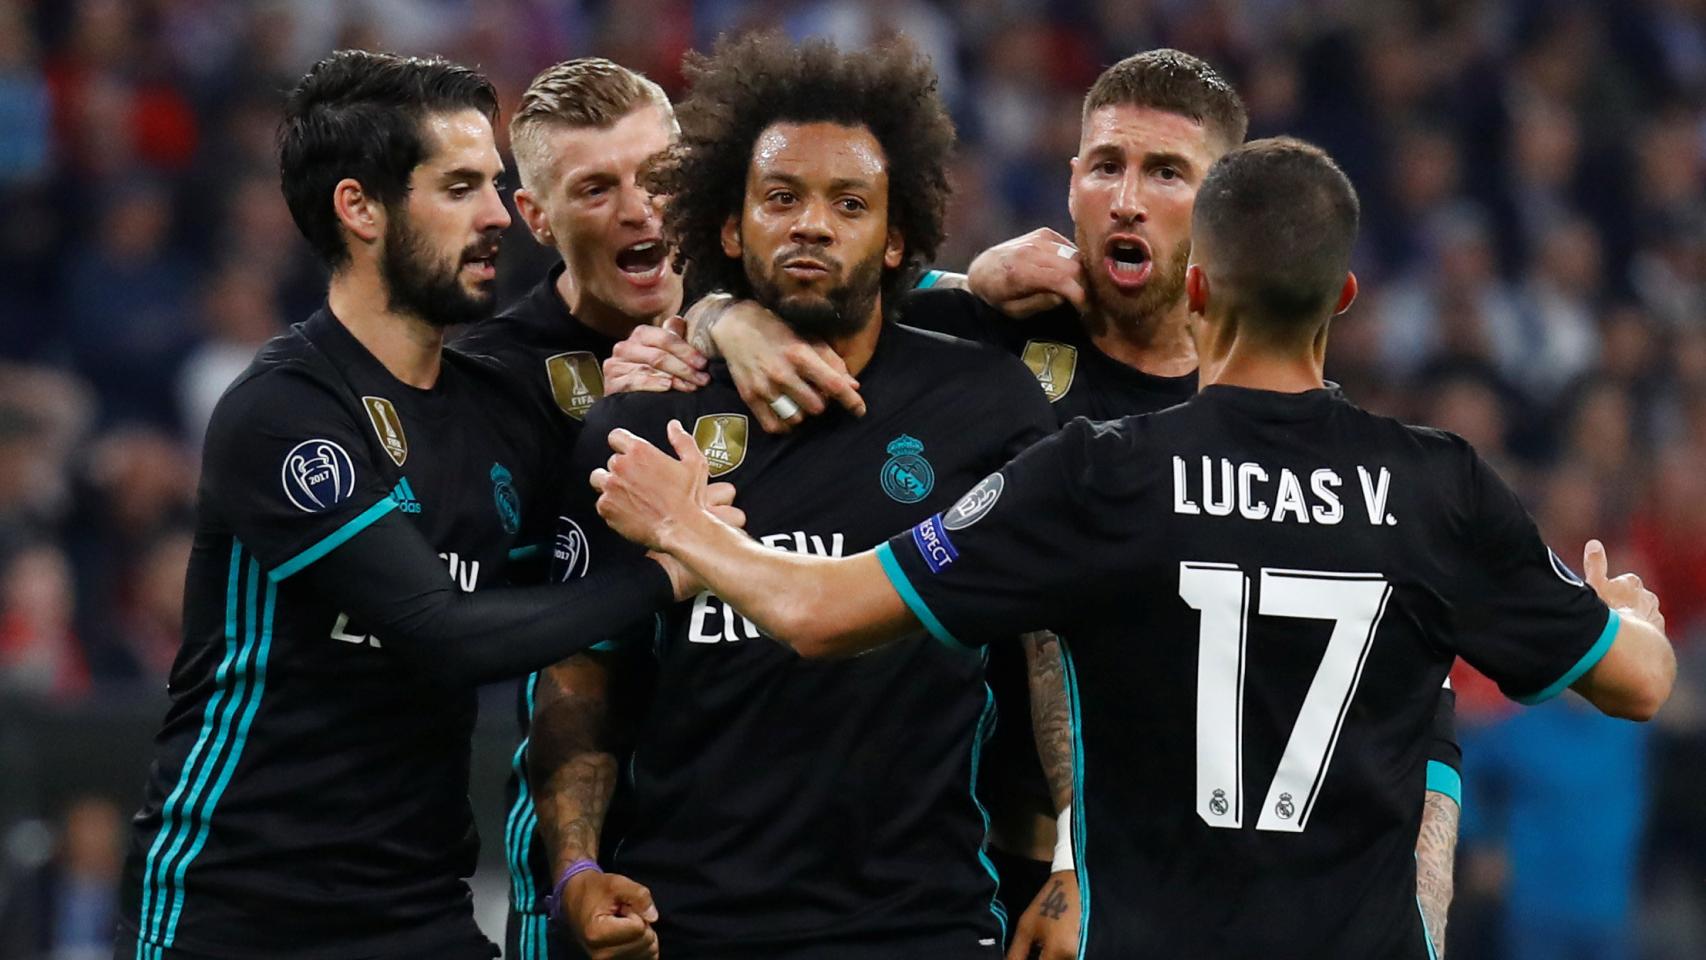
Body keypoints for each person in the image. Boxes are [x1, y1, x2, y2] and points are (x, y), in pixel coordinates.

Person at [588, 137, 1676, 959]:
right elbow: (1637, 682)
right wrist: (1627, 617)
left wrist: (683, 527)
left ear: (1195, 287)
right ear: (1343, 298)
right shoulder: (1438, 487)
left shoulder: (1100, 477)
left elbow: (820, 613)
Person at [114, 51, 735, 960]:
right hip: (239, 905)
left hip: (418, 903)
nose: (496, 215)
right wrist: (672, 568)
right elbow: (441, 632)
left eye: (493, 184)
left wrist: (723, 324)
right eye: (459, 187)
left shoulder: (502, 407)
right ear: (360, 208)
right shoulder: (285, 410)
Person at [539, 32, 1055, 959]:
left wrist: (1075, 860)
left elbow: (1054, 661)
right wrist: (576, 864)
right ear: (730, 229)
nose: (812, 224)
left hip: (922, 926)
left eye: (849, 203)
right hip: (690, 925)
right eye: (781, 198)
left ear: (896, 238)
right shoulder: (642, 419)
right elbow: (582, 676)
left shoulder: (989, 406)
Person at [447, 57, 702, 960]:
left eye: (657, 175)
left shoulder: (770, 312)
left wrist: (976, 282)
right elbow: (491, 618)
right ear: (536, 216)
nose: (639, 210)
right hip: (585, 842)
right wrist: (612, 427)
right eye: (597, 188)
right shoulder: (489, 382)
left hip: (777, 832)